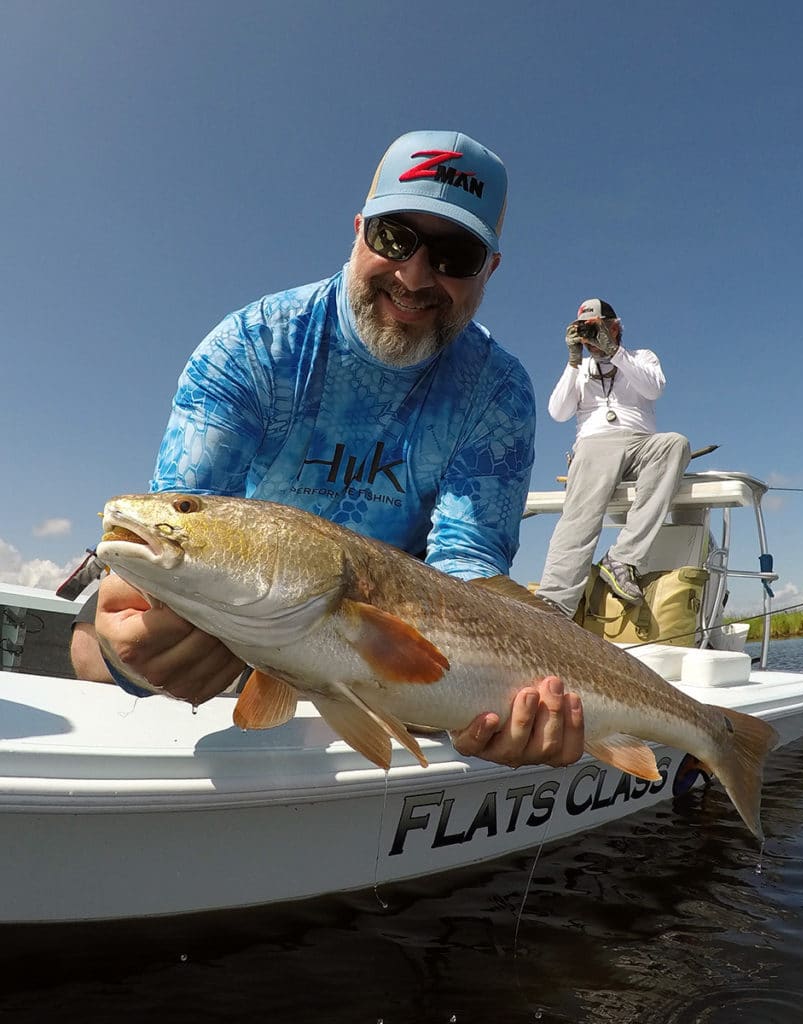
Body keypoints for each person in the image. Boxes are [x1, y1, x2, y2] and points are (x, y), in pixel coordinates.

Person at [71, 129, 584, 769]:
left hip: (395, 649)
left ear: (491, 269)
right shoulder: (252, 347)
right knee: (95, 647)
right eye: (394, 237)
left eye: (455, 255)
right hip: (249, 630)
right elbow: (190, 512)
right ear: (359, 228)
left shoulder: (498, 391)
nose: (415, 276)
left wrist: (484, 696)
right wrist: (132, 641)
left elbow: (468, 565)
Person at [536, 298, 691, 619]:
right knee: (581, 517)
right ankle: (555, 603)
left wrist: (615, 354)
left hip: (641, 444)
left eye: (598, 329)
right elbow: (558, 411)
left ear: (616, 327)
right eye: (585, 331)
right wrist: (573, 360)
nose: (592, 338)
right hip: (595, 444)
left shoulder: (641, 356)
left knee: (675, 443)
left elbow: (654, 389)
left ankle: (622, 558)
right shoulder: (579, 369)